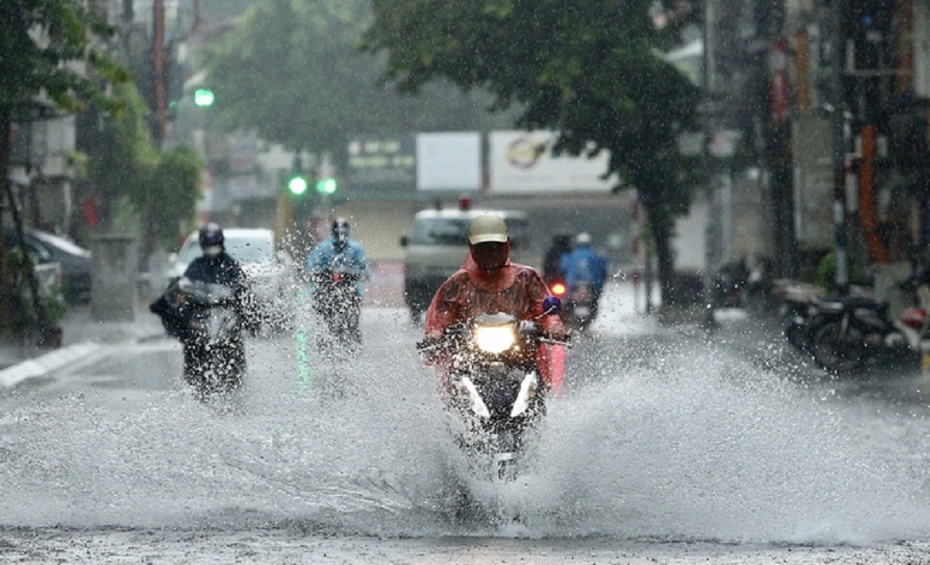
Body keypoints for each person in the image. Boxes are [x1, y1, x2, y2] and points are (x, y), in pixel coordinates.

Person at [423, 213, 567, 392]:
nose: (490, 253)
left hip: (520, 357)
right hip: (470, 359)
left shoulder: (526, 278)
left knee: (533, 385)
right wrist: (435, 334)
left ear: (506, 245)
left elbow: (546, 309)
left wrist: (554, 327)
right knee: (457, 385)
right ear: (472, 247)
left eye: (495, 247)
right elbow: (441, 315)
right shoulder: (457, 283)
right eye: (483, 248)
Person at [305, 217, 371, 345]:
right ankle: (323, 337)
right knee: (321, 314)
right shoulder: (322, 248)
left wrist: (358, 274)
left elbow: (365, 269)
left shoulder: (356, 248)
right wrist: (318, 274)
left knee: (353, 320)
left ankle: (353, 335)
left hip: (350, 290)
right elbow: (311, 267)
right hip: (325, 289)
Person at [558, 232, 609, 320]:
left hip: (573, 285)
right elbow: (602, 270)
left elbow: (563, 268)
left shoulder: (572, 255)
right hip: (590, 285)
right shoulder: (595, 255)